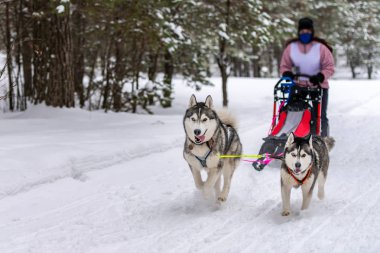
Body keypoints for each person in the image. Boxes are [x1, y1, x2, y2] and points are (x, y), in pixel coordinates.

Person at [280, 17, 335, 137]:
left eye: (308, 32)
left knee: (319, 115)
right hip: (298, 84)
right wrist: (287, 73)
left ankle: (322, 140)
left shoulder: (321, 48)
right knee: (291, 111)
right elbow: (285, 65)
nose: (305, 34)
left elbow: (330, 66)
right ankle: (291, 136)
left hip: (319, 85)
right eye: (302, 32)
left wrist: (321, 76)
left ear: (312, 32)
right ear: (299, 32)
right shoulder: (292, 47)